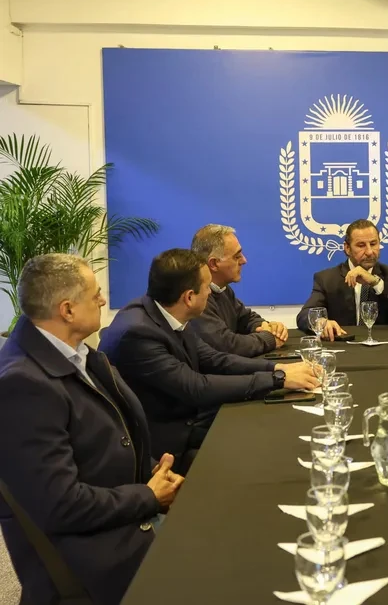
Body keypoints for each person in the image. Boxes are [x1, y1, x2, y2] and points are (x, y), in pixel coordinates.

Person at [0, 254, 184, 605]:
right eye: (95, 293)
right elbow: (61, 504)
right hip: (92, 562)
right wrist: (148, 496)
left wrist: (153, 475)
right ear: (67, 310)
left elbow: (103, 444)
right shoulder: (22, 385)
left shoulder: (76, 354)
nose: (102, 300)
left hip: (122, 520)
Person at [100, 249, 318, 474]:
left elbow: (214, 359)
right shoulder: (138, 333)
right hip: (166, 447)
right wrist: (277, 379)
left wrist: (277, 367)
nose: (210, 293)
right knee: (261, 452)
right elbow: (196, 387)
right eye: (207, 287)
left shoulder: (165, 311)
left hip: (190, 419)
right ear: (189, 297)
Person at [296, 219, 388, 339]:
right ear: (347, 248)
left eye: (373, 244)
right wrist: (320, 322)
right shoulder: (327, 279)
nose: (369, 252)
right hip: (343, 345)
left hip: (381, 346)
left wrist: (376, 283)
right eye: (361, 245)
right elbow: (304, 316)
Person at [189, 224, 288, 357]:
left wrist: (267, 327)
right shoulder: (196, 297)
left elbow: (245, 319)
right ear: (214, 264)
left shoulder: (223, 289)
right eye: (236, 257)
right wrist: (269, 339)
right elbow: (226, 345)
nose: (244, 260)